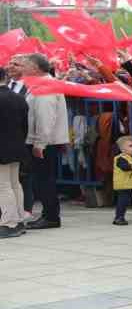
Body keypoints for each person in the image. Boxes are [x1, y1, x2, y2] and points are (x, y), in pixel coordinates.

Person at [12, 54, 69, 230]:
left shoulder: (46, 85)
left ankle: (51, 217)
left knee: (44, 180)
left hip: (46, 142)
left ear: (36, 68)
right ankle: (48, 214)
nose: (22, 67)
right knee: (41, 179)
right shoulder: (40, 84)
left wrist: (39, 144)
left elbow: (45, 118)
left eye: (26, 64)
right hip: (41, 141)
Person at [0, 68, 29, 238]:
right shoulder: (19, 98)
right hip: (17, 146)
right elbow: (24, 125)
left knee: (3, 186)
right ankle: (18, 220)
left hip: (2, 148)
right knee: (14, 184)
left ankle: (8, 222)